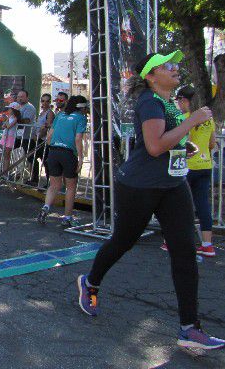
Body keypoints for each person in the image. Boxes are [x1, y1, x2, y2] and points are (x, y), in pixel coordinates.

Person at [76, 50, 224, 350]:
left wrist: (185, 148)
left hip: (173, 186)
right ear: (151, 76)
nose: (175, 69)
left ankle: (189, 329)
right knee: (123, 241)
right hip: (140, 187)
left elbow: (169, 142)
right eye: (168, 66)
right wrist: (192, 120)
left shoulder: (168, 103)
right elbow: (155, 147)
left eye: (175, 65)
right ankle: (90, 282)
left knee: (183, 252)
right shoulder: (149, 102)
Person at [160, 86, 217, 257]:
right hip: (205, 165)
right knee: (202, 205)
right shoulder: (208, 118)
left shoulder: (184, 118)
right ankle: (207, 245)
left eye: (178, 101)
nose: (178, 105)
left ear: (184, 100)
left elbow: (184, 143)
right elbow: (212, 143)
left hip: (186, 167)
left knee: (176, 204)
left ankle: (171, 242)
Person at [37, 95, 88, 226]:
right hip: (68, 153)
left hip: (53, 152)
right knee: (71, 187)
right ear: (82, 107)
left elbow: (49, 136)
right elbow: (78, 139)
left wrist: (52, 146)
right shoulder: (81, 118)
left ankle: (45, 208)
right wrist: (81, 158)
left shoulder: (60, 115)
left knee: (54, 185)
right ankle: (67, 217)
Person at [28, 93, 55, 186]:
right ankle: (35, 179)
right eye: (43, 101)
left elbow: (47, 126)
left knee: (46, 162)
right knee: (32, 157)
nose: (45, 103)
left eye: (47, 101)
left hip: (45, 141)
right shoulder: (41, 113)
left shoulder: (50, 113)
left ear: (50, 102)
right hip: (38, 139)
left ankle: (49, 183)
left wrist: (38, 136)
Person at [0, 102, 20, 173]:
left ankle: (6, 172)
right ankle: (4, 171)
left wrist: (5, 121)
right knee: (5, 155)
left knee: (7, 155)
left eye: (10, 109)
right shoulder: (9, 117)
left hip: (10, 137)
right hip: (5, 136)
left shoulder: (15, 119)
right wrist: (5, 121)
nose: (8, 110)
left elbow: (8, 126)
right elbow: (3, 126)